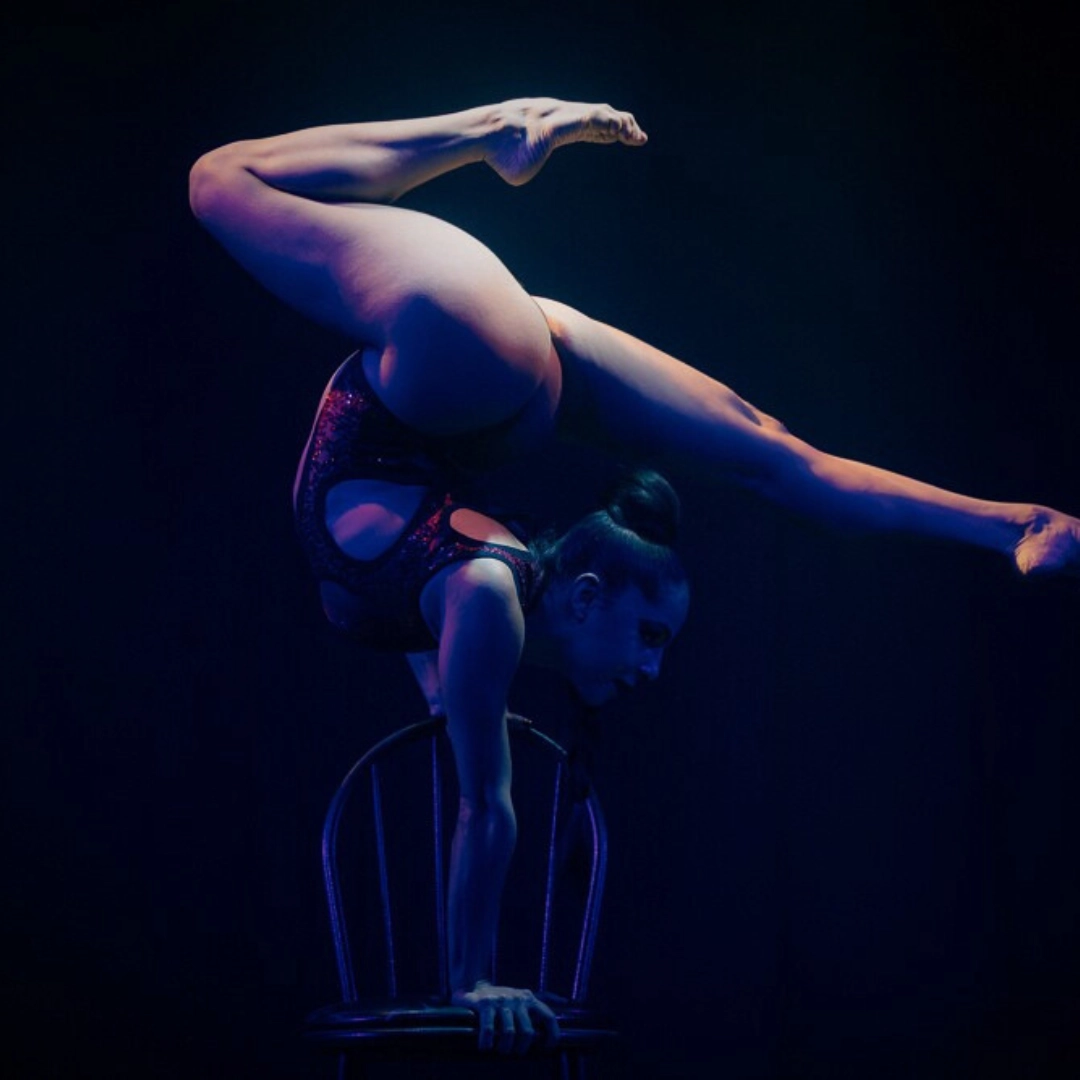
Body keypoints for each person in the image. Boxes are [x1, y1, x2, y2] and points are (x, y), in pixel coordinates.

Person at [188, 97, 1079, 1051]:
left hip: (455, 347)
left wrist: (471, 979)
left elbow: (484, 802)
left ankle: (496, 131)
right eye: (655, 640)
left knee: (218, 180)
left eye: (651, 636)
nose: (650, 672)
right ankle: (1017, 524)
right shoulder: (474, 591)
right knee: (774, 453)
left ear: (582, 594)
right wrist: (445, 693)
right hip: (476, 372)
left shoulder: (484, 596)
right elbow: (419, 650)